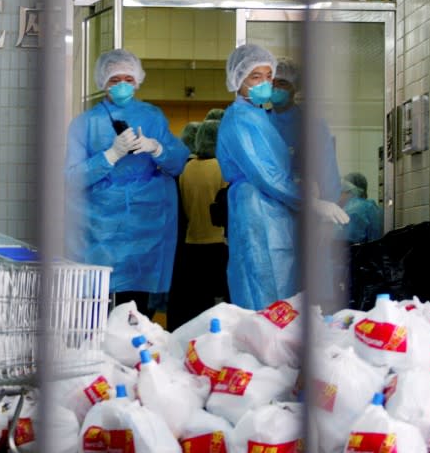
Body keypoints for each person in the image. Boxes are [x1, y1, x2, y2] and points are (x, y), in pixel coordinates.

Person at [216, 44, 348, 310]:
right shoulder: (239, 119)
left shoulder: (258, 115)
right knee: (261, 292)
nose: (265, 83)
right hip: (255, 207)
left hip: (274, 210)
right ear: (237, 80)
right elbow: (266, 175)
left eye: (268, 76)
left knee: (281, 294)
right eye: (256, 77)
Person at [64, 49, 190, 316]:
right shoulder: (84, 124)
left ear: (138, 81)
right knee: (97, 310)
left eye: (128, 79)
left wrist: (157, 149)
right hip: (100, 232)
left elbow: (178, 162)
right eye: (114, 80)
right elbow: (70, 178)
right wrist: (110, 155)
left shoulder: (153, 117)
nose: (122, 85)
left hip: (147, 227)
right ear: (102, 83)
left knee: (137, 311)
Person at [167, 119, 229, 330]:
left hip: (192, 244)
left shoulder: (186, 170)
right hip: (219, 245)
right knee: (220, 306)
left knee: (197, 305)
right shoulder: (223, 169)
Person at [268, 56, 342, 203]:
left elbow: (328, 177)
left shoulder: (312, 126)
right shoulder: (259, 123)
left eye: (282, 83)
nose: (275, 88)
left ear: (295, 87)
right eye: (271, 83)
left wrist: (327, 209)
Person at [337, 172, 384, 244]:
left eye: (341, 192)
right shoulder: (374, 207)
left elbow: (344, 244)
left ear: (350, 191)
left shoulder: (352, 211)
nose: (339, 197)